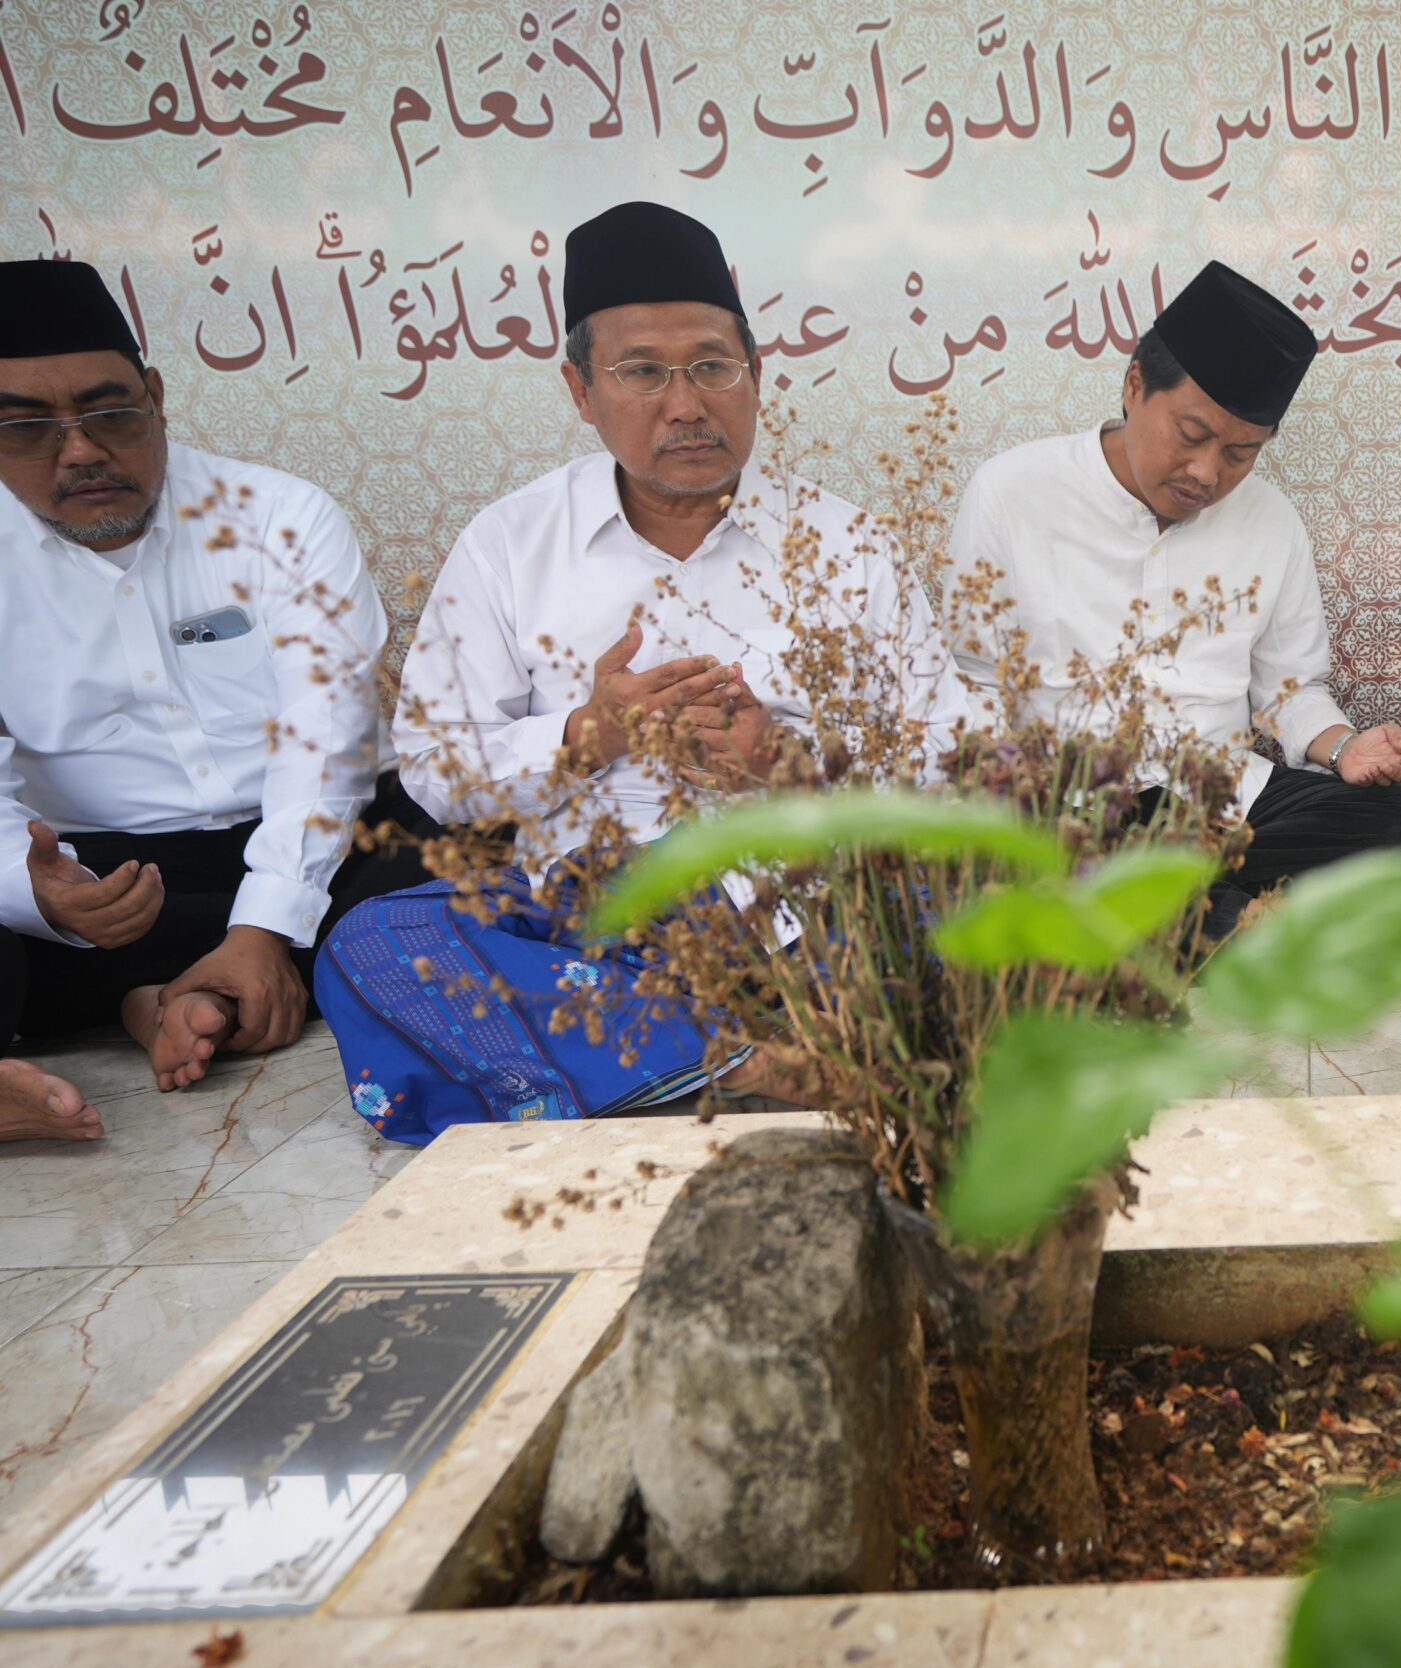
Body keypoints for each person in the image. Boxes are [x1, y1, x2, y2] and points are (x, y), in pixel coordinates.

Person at [314, 202, 963, 1144]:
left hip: (810, 903)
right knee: (373, 941)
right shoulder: (509, 545)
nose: (687, 404)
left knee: (982, 891)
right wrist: (588, 736)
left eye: (712, 365)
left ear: (758, 372)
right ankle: (750, 1059)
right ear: (581, 390)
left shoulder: (848, 542)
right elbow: (434, 769)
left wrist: (786, 768)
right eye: (642, 373)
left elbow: (945, 754)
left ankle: (649, 1060)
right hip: (588, 913)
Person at [0, 258, 423, 1140]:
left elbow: (326, 743)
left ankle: (164, 992)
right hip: (109, 880)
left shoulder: (279, 518)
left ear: (156, 396)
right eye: (29, 428)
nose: (80, 450)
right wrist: (41, 897)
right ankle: (202, 986)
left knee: (459, 867)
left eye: (109, 411)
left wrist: (265, 926)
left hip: (326, 852)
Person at [944, 260, 1401, 937]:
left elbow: (1289, 688)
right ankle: (1225, 918)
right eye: (1191, 436)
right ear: (1135, 385)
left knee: (1395, 826)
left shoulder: (1272, 522)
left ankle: (1169, 920)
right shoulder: (1011, 493)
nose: (1206, 473)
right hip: (1072, 805)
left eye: (1240, 454)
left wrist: (1343, 745)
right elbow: (973, 688)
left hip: (1217, 804)